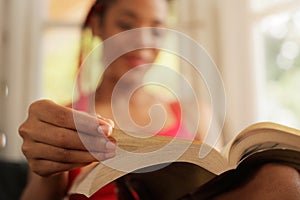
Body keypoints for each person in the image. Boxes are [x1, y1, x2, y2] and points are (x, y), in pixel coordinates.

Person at [18, 0, 300, 199]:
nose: (141, 40)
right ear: (97, 25)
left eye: (156, 29)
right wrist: (48, 171)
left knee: (283, 180)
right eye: (126, 24)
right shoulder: (63, 121)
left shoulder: (194, 113)